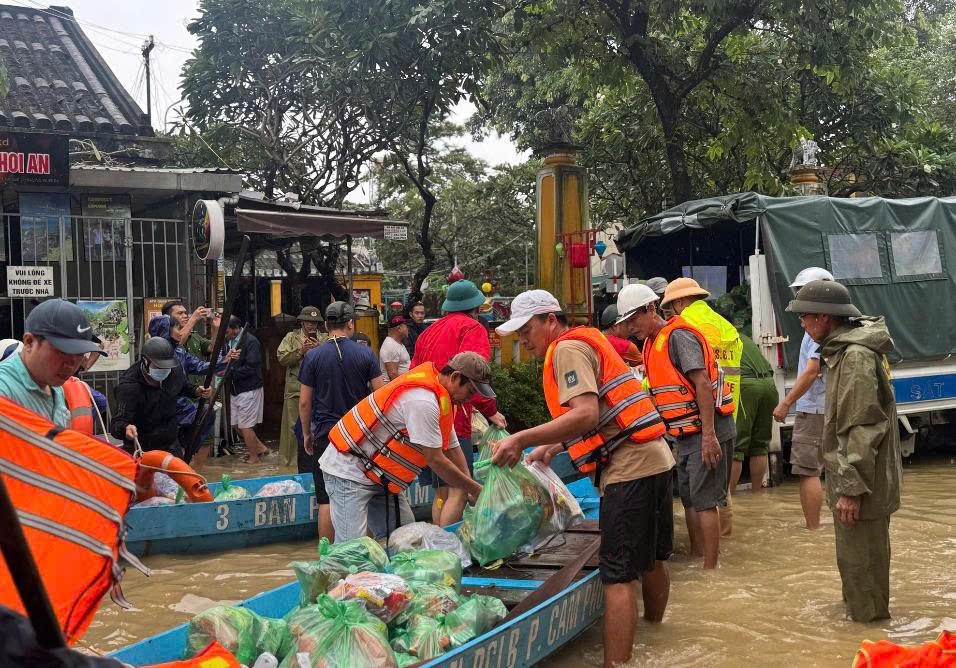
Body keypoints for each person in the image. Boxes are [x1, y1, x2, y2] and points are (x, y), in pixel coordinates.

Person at [491, 289, 673, 668]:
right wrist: (555, 446)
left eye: (526, 330)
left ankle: (616, 664)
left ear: (550, 321)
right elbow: (603, 410)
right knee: (653, 558)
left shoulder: (566, 350)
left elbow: (586, 413)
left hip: (628, 468)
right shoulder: (588, 340)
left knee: (618, 575)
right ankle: (658, 636)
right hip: (655, 458)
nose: (523, 340)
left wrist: (522, 437)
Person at [785, 279, 901, 622]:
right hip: (862, 480)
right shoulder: (847, 351)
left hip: (862, 485)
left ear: (824, 318)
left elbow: (862, 428)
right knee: (858, 567)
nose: (802, 324)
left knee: (862, 572)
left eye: (805, 317)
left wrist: (851, 490)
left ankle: (869, 640)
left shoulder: (853, 358)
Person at [618, 283, 736, 569]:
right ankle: (698, 557)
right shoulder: (649, 344)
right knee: (690, 497)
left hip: (707, 429)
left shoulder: (678, 336)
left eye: (634, 318)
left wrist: (709, 437)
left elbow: (702, 384)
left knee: (705, 500)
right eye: (626, 322)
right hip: (683, 434)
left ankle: (711, 570)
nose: (631, 327)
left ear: (650, 309)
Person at [325, 352, 489, 542]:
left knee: (408, 543)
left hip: (380, 476)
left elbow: (453, 448)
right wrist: (475, 489)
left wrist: (469, 487)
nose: (469, 399)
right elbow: (436, 460)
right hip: (349, 470)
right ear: (455, 377)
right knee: (351, 550)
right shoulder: (423, 401)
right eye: (470, 392)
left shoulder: (442, 399)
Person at [411, 279, 506, 526]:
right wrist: (490, 410)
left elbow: (413, 373)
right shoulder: (473, 329)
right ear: (474, 308)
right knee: (460, 490)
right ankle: (447, 550)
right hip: (455, 418)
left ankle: (436, 544)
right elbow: (475, 375)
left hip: (424, 419)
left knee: (441, 492)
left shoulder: (427, 332)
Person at [661, 277, 742, 535]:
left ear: (681, 302)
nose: (668, 313)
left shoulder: (684, 327)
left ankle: (707, 556)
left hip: (699, 419)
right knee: (721, 491)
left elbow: (691, 378)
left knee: (701, 498)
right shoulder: (726, 326)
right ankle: (724, 543)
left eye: (669, 307)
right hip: (728, 411)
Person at [299, 301, 384, 541]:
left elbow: (305, 403)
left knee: (326, 499)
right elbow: (380, 398)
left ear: (326, 325)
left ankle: (327, 558)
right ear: (350, 324)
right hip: (358, 437)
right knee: (360, 495)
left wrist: (307, 433)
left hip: (326, 435)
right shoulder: (366, 353)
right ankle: (364, 552)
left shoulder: (313, 356)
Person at [773, 267, 834, 530]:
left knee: (808, 471)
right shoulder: (836, 324)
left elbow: (811, 371)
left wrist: (786, 402)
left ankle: (813, 530)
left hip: (816, 409)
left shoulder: (817, 330)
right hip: (830, 406)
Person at [0, 299, 104, 429]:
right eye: (62, 351)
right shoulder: (4, 388)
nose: (70, 365)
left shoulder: (55, 387)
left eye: (79, 353)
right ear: (29, 342)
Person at [111, 337, 213, 456]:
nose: (164, 370)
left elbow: (182, 386)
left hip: (169, 442)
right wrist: (126, 428)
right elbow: (116, 424)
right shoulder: (129, 387)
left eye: (167, 366)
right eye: (159, 366)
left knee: (206, 411)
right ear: (145, 361)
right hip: (142, 447)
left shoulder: (173, 371)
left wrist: (196, 390)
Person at [277, 306, 326, 468]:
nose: (311, 325)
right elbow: (282, 358)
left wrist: (320, 350)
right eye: (308, 322)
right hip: (295, 389)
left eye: (314, 322)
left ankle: (315, 461)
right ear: (302, 322)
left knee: (317, 426)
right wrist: (300, 351)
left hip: (318, 390)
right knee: (292, 427)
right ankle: (290, 463)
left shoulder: (325, 339)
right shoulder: (291, 337)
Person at [731, 333, 778, 495]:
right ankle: (757, 496)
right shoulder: (742, 337)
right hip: (769, 385)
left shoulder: (712, 336)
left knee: (735, 447)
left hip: (746, 386)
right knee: (760, 445)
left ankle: (729, 503)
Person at [222, 316, 270, 464]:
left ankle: (254, 458)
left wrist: (230, 372)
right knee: (236, 425)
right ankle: (261, 448)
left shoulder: (250, 341)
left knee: (245, 425)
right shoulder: (229, 342)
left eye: (227, 330)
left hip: (249, 388)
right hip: (236, 389)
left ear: (236, 328)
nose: (224, 333)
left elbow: (252, 366)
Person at [380, 314, 411, 381]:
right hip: (396, 387)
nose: (408, 329)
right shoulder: (390, 345)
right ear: (399, 328)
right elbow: (393, 374)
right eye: (406, 326)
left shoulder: (397, 343)